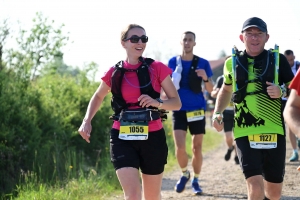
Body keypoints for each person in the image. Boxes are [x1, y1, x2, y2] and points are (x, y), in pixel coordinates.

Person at [78, 24, 181, 200]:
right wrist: (87, 120)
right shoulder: (114, 72)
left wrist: (158, 102)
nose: (140, 42)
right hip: (122, 136)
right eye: (134, 39)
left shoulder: (157, 68)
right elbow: (98, 96)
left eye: (144, 39)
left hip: (153, 137)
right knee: (132, 195)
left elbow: (176, 103)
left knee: (152, 196)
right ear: (123, 43)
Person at [212, 17, 294, 200]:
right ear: (242, 38)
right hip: (244, 132)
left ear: (267, 37)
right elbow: (225, 91)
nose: (254, 38)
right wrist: (217, 113)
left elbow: (295, 90)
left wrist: (281, 90)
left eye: (259, 34)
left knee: (273, 193)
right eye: (250, 34)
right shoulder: (231, 63)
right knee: (255, 187)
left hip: (275, 131)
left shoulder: (278, 60)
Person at [167, 31, 213, 195]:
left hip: (197, 109)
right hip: (178, 109)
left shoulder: (203, 63)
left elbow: (211, 90)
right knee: (179, 148)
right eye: (184, 39)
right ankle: (185, 173)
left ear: (194, 43)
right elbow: (166, 85)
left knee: (197, 147)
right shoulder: (172, 62)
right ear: (181, 42)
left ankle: (196, 180)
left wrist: (205, 78)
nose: (187, 42)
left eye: (190, 40)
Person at [211, 74, 239, 165]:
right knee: (228, 137)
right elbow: (212, 93)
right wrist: (217, 92)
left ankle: (236, 156)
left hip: (237, 111)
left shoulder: (241, 74)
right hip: (226, 112)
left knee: (237, 136)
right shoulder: (221, 78)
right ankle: (230, 148)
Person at [283, 50, 300, 162]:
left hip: (296, 96)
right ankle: (294, 151)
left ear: (294, 57)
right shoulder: (280, 68)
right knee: (290, 125)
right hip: (285, 99)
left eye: (291, 60)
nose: (289, 62)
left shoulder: (298, 66)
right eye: (287, 60)